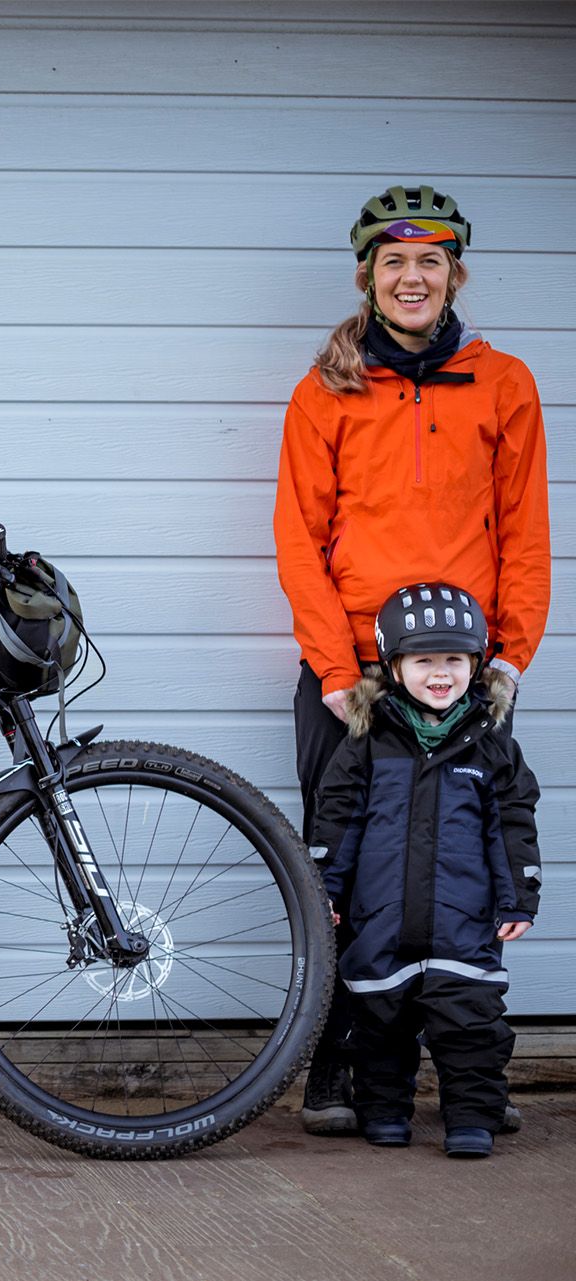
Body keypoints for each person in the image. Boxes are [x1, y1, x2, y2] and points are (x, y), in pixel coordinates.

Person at [272, 184, 550, 1134]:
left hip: (463, 672)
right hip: (352, 677)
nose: (413, 277)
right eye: (394, 261)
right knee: (348, 876)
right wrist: (336, 671)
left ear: (454, 273)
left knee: (468, 864)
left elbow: (527, 535)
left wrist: (507, 660)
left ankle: (475, 1076)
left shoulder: (504, 383)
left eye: (431, 260)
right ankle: (337, 1069)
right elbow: (298, 539)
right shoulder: (327, 390)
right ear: (368, 277)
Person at [313, 583, 540, 1157]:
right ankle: (384, 1112)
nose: (440, 675)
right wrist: (325, 893)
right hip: (380, 918)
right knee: (380, 1023)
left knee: (471, 1027)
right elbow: (337, 821)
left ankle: (473, 1119)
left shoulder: (490, 743)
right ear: (394, 667)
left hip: (463, 920)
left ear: (476, 666)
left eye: (454, 661)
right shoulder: (367, 741)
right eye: (424, 661)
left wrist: (519, 898)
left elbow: (513, 821)